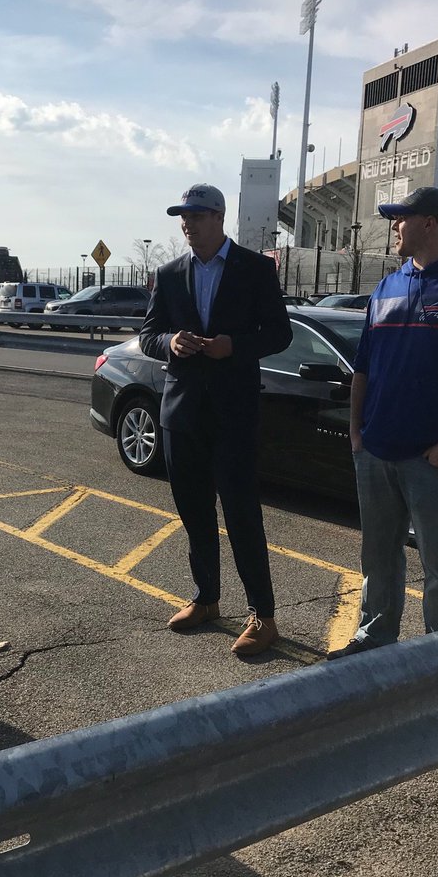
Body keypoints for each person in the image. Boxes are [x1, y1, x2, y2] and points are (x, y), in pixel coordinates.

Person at [327, 186, 438, 660]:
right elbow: (363, 366)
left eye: (400, 218)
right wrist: (356, 434)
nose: (394, 227)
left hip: (435, 459)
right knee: (379, 552)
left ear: (429, 223)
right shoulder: (387, 287)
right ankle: (375, 636)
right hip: (376, 449)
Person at [140, 183, 292, 656]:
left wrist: (234, 345)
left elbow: (280, 333)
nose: (187, 223)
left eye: (196, 215)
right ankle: (207, 599)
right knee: (194, 514)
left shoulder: (255, 268)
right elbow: (148, 334)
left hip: (233, 414)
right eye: (182, 217)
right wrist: (171, 343)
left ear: (219, 217)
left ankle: (263, 617)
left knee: (242, 514)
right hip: (182, 413)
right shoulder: (168, 273)